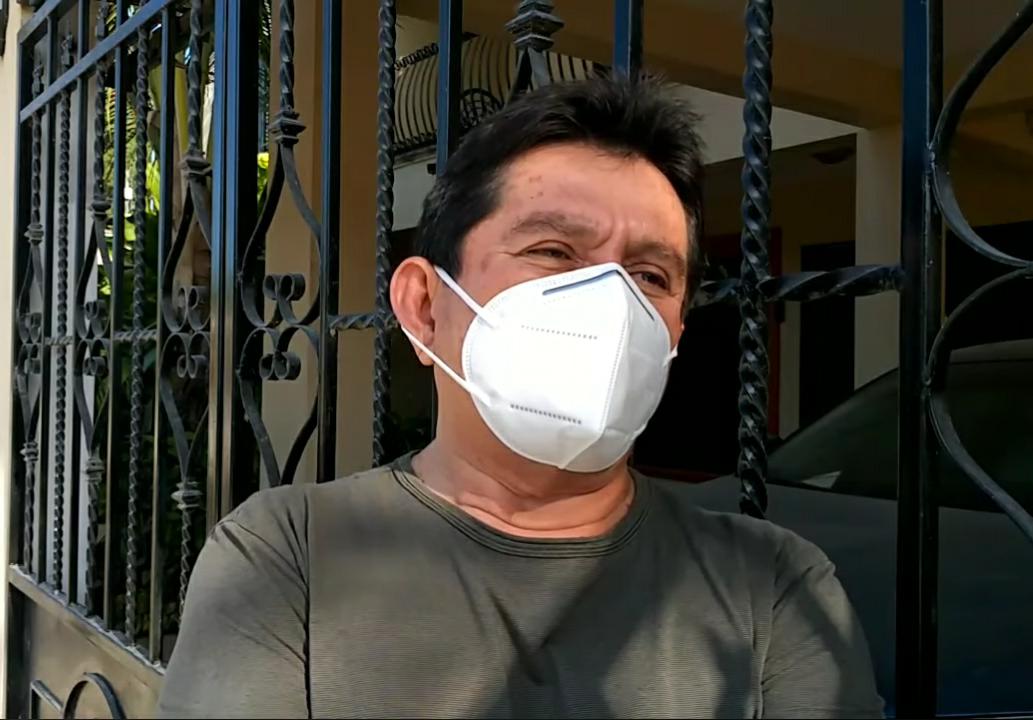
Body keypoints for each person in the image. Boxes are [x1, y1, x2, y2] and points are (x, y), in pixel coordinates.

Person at [158, 74, 883, 719]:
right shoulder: (288, 556)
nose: (611, 303)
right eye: (553, 252)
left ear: (675, 333)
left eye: (650, 276)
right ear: (425, 308)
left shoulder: (773, 586)